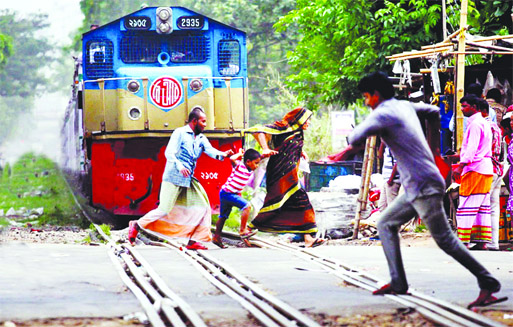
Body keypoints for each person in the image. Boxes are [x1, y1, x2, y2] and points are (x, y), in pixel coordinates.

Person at [348, 71, 505, 309]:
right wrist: (433, 150)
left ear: (376, 95)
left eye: (366, 97)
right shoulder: (403, 106)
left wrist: (354, 140)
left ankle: (488, 281)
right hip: (417, 184)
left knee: (445, 241)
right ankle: (398, 281)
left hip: (422, 184)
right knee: (386, 223)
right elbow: (432, 112)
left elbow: (354, 137)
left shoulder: (384, 112)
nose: (366, 102)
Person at [127, 108, 233, 250]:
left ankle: (192, 240)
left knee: (203, 207)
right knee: (164, 209)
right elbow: (169, 153)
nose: (205, 124)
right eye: (203, 121)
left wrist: (224, 154)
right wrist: (180, 166)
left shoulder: (201, 138)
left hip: (188, 179)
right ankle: (137, 225)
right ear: (194, 121)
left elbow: (211, 151)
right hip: (173, 176)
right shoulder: (180, 133)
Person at [246, 107, 325, 248]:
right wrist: (264, 148)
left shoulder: (298, 132)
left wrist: (301, 151)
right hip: (279, 174)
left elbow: (290, 145)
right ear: (299, 118)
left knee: (301, 204)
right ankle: (248, 229)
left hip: (291, 176)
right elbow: (258, 130)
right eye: (307, 120)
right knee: (274, 204)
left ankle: (308, 238)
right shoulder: (282, 128)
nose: (308, 123)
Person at [453, 95, 493, 250]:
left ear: (474, 107)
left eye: (465, 106)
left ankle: (464, 242)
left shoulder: (475, 124)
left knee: (466, 204)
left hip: (475, 168)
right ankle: (482, 242)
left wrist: (461, 166)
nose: (462, 109)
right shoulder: (484, 122)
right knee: (482, 206)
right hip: (486, 169)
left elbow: (472, 149)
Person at [213, 148, 262, 248]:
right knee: (247, 206)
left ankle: (216, 237)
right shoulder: (240, 166)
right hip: (227, 194)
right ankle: (242, 230)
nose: (257, 166)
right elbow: (232, 158)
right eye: (256, 163)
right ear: (248, 162)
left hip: (227, 193)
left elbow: (238, 184)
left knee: (223, 216)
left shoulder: (250, 171)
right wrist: (240, 154)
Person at [477, 98, 502, 251]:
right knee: (494, 207)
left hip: (487, 169)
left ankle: (483, 241)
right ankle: (494, 242)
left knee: (483, 205)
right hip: (497, 168)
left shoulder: (483, 126)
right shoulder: (496, 127)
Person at [378, 146, 400, 211]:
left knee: (392, 209)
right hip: (386, 179)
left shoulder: (395, 143)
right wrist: (382, 143)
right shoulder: (387, 145)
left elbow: (398, 162)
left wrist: (391, 179)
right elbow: (380, 156)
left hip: (393, 180)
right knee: (382, 207)